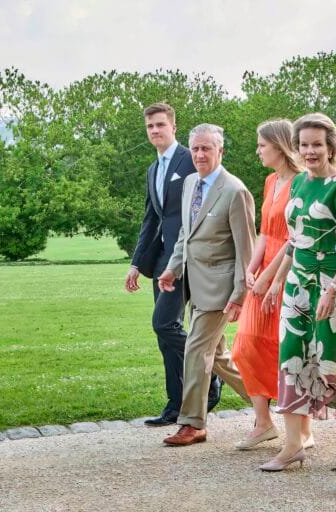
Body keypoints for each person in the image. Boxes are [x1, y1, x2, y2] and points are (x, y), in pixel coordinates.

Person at [259, 113, 336, 471]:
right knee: (291, 359)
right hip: (298, 286)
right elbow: (295, 240)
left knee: (335, 366)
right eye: (304, 145)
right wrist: (277, 281)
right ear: (296, 148)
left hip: (333, 287)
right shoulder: (298, 183)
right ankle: (293, 445)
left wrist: (333, 289)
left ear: (331, 147)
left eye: (317, 145)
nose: (310, 151)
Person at [157, 123, 255, 446]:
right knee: (220, 358)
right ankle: (266, 402)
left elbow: (246, 251)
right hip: (195, 286)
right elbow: (186, 234)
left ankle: (192, 423)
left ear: (220, 151)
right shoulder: (189, 183)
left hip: (221, 291)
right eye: (196, 148)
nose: (199, 154)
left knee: (196, 349)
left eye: (206, 148)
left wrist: (240, 295)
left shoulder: (235, 191)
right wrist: (172, 269)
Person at [125, 103, 221, 428]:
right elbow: (150, 219)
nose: (155, 130)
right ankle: (175, 404)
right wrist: (136, 263)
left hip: (190, 258)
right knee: (164, 335)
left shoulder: (190, 158)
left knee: (164, 324)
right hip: (163, 259)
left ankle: (212, 373)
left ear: (173, 127)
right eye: (150, 126)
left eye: (160, 124)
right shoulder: (153, 170)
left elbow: (206, 203)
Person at [230, 119, 300, 450]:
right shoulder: (271, 181)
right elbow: (265, 232)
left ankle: (300, 428)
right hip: (263, 270)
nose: (257, 151)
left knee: (284, 349)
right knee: (245, 347)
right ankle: (263, 423)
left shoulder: (301, 183)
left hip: (286, 271)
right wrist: (251, 268)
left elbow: (293, 239)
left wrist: (269, 276)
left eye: (262, 145)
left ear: (280, 145)